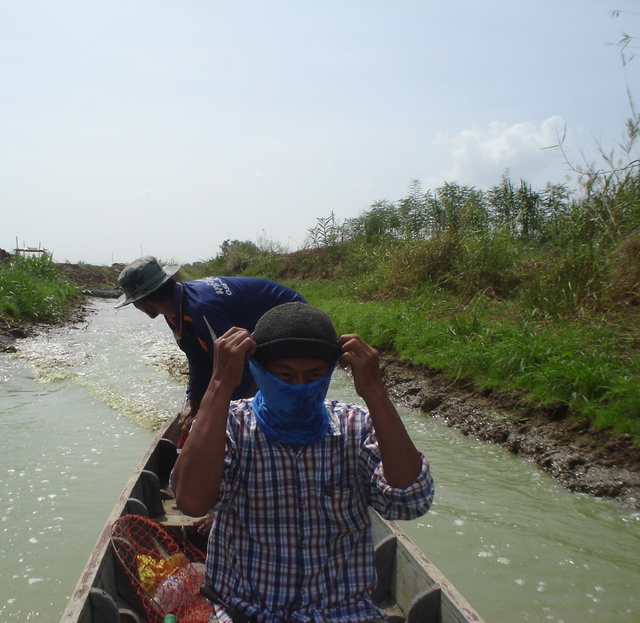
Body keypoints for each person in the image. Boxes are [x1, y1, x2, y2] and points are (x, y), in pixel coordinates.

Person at [171, 302, 434, 623]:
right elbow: (192, 501)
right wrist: (220, 383)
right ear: (260, 373)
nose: (298, 387)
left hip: (342, 613)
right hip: (244, 611)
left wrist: (376, 393)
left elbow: (410, 502)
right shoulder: (231, 424)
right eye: (284, 375)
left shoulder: (356, 425)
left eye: (313, 375)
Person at [114, 256, 305, 434]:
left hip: (296, 322)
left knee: (241, 403)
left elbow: (239, 366)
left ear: (144, 301)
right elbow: (198, 359)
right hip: (264, 327)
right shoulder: (175, 310)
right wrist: (193, 404)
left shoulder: (201, 309)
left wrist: (213, 411)